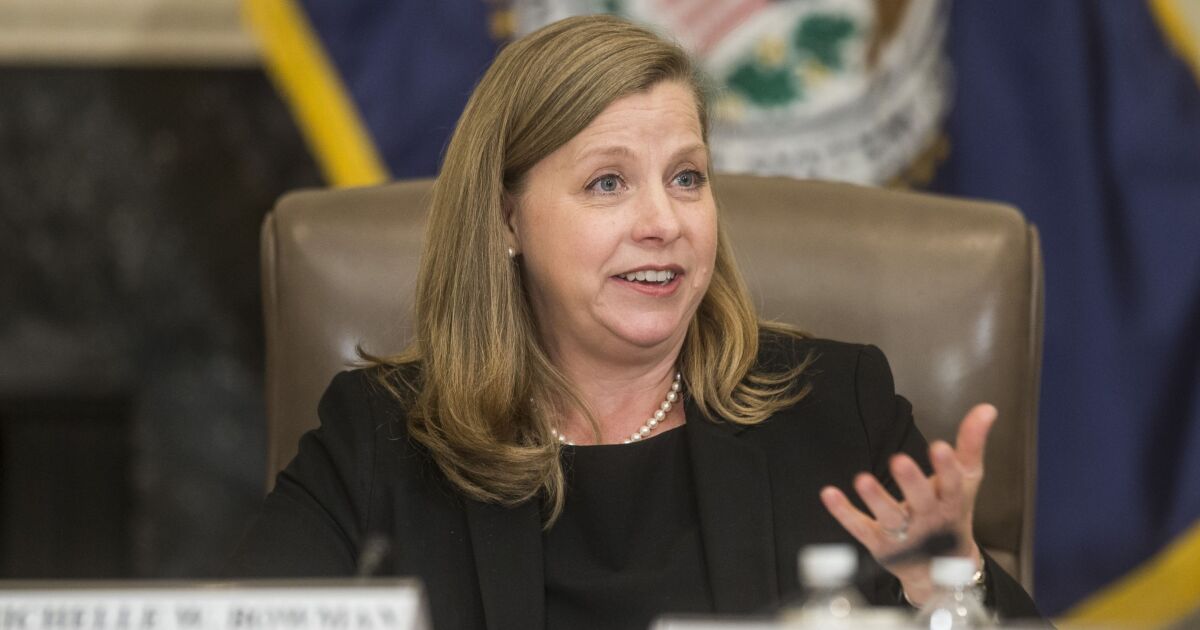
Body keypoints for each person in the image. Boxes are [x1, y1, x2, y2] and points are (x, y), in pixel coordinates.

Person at [230, 14, 1043, 629]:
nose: (664, 222)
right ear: (507, 220)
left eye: (687, 178)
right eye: (608, 184)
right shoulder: (379, 440)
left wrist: (951, 584)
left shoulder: (836, 410)